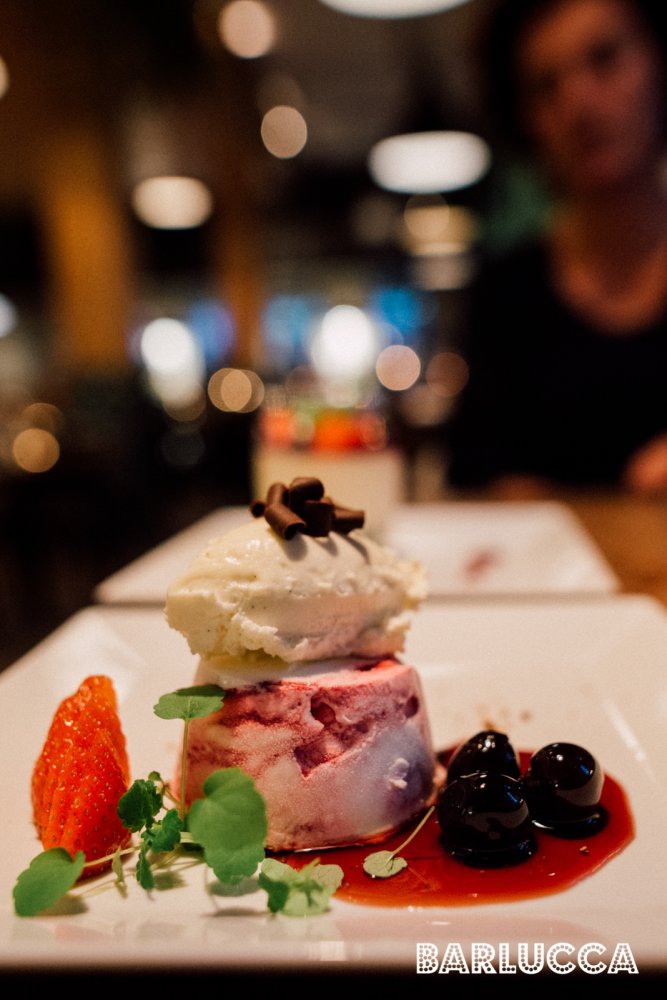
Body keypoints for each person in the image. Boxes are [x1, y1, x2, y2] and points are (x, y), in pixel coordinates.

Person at [445, 0, 667, 497]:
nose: (578, 104)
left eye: (605, 58)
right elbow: (477, 475)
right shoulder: (505, 294)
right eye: (545, 87)